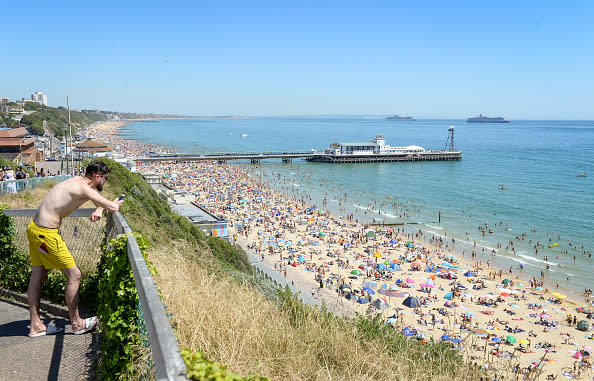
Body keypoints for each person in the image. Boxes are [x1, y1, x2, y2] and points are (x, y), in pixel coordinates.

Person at [27, 161, 124, 337]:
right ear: (97, 177)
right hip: (46, 234)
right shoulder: (84, 188)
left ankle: (36, 325)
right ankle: (77, 323)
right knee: (74, 275)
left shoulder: (78, 182)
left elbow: (99, 200)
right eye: (105, 178)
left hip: (34, 229)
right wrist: (112, 204)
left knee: (37, 275)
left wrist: (100, 209)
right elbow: (113, 205)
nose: (106, 181)